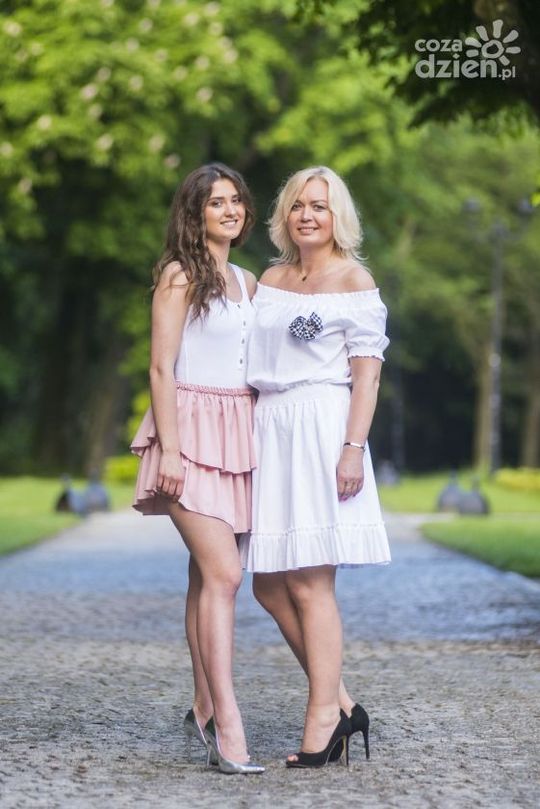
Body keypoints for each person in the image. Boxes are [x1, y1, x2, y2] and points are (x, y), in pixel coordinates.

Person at [239, 166, 391, 768]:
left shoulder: (354, 281)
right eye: (299, 205)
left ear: (337, 217)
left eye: (320, 207)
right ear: (286, 214)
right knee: (267, 583)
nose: (307, 215)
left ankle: (323, 718)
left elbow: (366, 377)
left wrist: (353, 447)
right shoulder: (271, 279)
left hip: (322, 430)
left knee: (309, 582)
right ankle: (343, 703)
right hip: (270, 428)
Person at [130, 163, 264, 775]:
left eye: (236, 200)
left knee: (205, 578)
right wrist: (171, 450)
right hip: (189, 432)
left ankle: (203, 706)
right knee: (225, 575)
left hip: (238, 434)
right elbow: (161, 367)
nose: (230, 210)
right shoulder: (179, 275)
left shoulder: (248, 280)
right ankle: (229, 726)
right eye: (216, 202)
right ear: (195, 213)